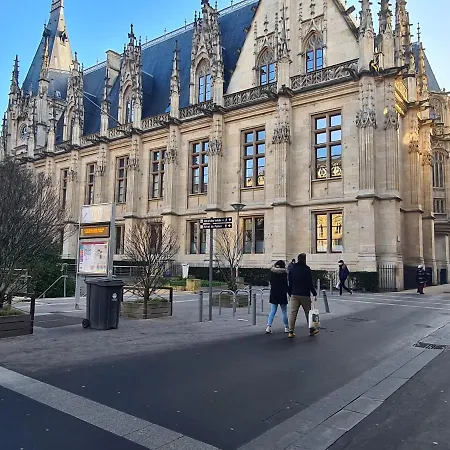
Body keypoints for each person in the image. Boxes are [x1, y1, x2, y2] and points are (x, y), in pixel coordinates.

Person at [288, 253, 318, 338]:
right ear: (304, 259)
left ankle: (291, 331)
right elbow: (310, 283)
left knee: (293, 313)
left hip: (294, 293)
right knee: (308, 313)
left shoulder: (292, 269)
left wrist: (290, 293)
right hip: (305, 294)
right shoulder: (307, 269)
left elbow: (290, 282)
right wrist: (314, 293)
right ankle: (311, 330)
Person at [266, 260, 290, 334]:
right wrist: (289, 293)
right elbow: (286, 285)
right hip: (282, 294)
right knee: (284, 312)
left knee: (273, 311)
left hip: (274, 293)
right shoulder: (284, 273)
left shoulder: (272, 272)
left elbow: (270, 282)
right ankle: (286, 327)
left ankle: (268, 326)